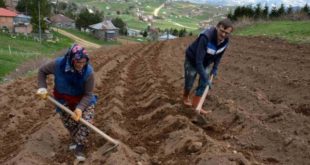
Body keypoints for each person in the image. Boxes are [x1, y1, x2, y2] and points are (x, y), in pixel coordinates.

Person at [36, 44, 97, 161]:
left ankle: (79, 148)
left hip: (82, 99)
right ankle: (75, 140)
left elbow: (88, 94)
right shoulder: (58, 65)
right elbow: (42, 71)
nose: (81, 65)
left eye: (84, 62)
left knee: (86, 122)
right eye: (78, 62)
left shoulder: (88, 72)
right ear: (71, 59)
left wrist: (79, 108)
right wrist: (42, 87)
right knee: (70, 124)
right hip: (63, 99)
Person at [183, 19, 233, 114]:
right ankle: (185, 97)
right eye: (222, 31)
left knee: (203, 84)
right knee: (189, 82)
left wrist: (215, 68)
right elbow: (198, 61)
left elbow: (219, 56)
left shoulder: (225, 41)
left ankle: (196, 106)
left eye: (226, 33)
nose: (223, 35)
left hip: (206, 62)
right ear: (217, 27)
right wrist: (205, 77)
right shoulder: (206, 37)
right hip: (193, 60)